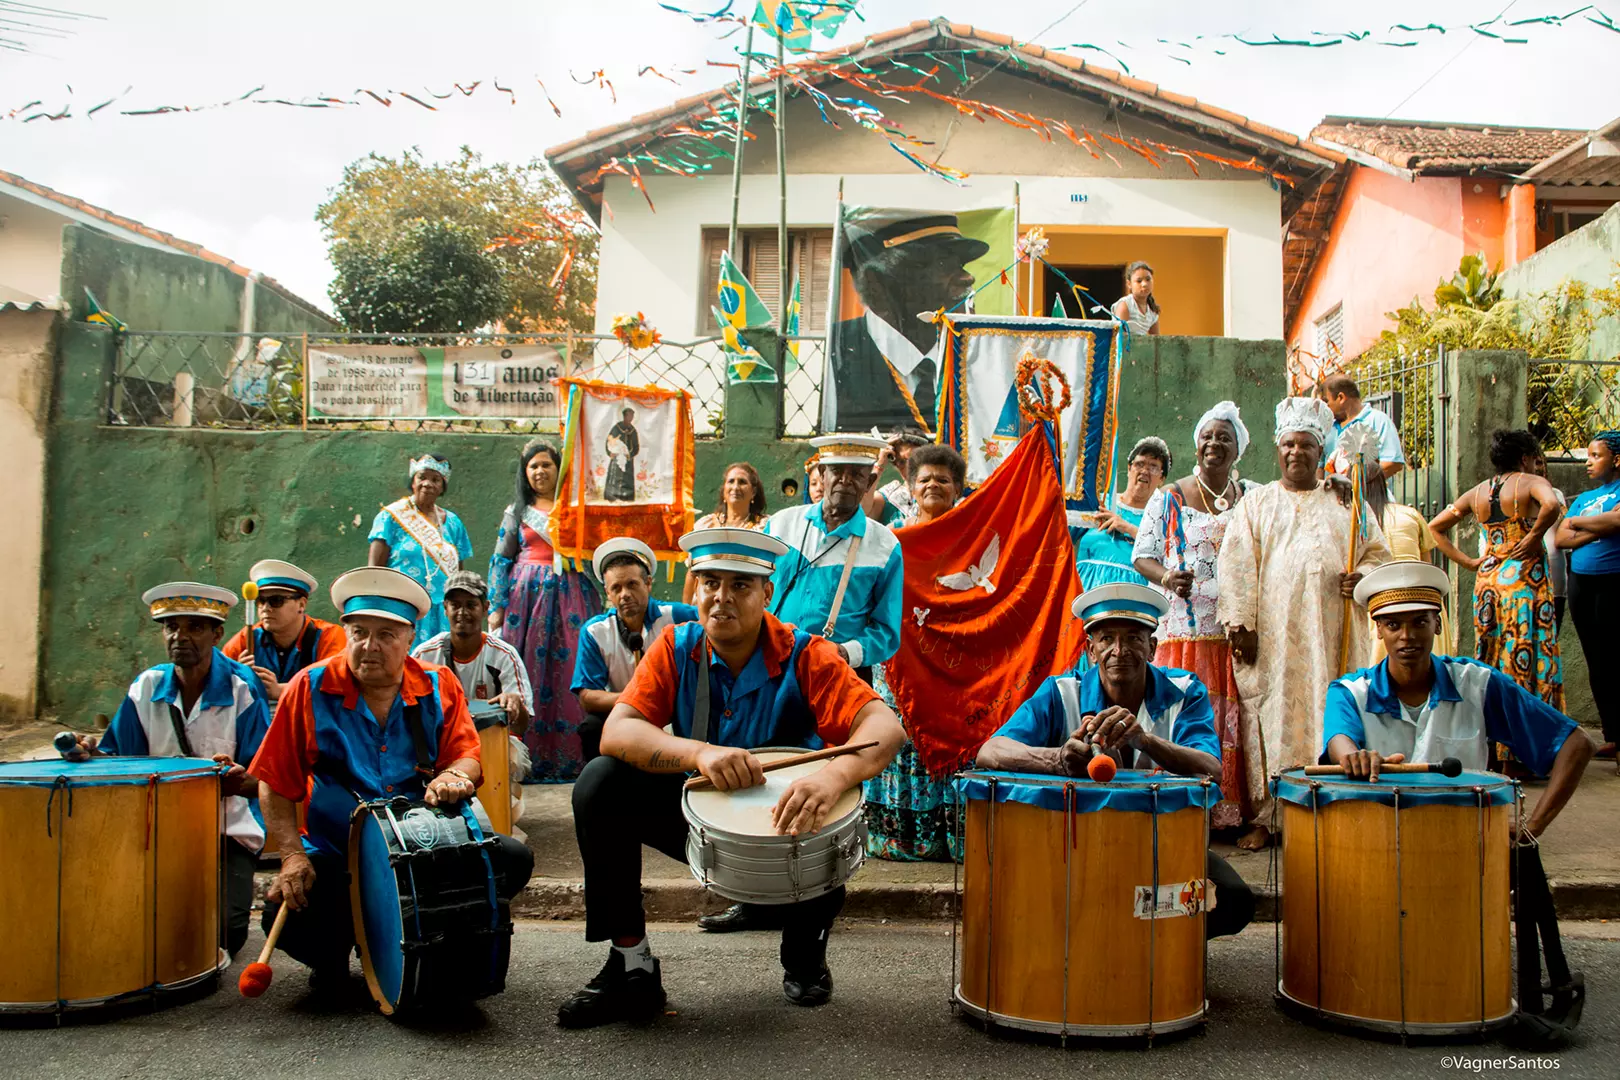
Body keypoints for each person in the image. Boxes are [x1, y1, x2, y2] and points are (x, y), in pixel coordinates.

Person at [557, 528, 904, 1026]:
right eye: (710, 582)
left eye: (741, 585)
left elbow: (884, 728)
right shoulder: (677, 646)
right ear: (694, 589)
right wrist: (698, 754)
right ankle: (631, 965)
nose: (721, 598)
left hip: (792, 827)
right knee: (600, 782)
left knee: (828, 817)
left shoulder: (807, 654)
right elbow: (618, 730)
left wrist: (830, 778)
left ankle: (805, 950)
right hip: (707, 821)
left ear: (767, 593)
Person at [251, 567, 534, 995]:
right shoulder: (307, 689)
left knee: (511, 858)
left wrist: (457, 775)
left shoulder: (439, 686)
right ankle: (337, 954)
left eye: (386, 635)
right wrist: (292, 856)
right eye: (359, 632)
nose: (370, 646)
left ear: (409, 640)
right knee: (288, 915)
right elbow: (274, 780)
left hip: (421, 848)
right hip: (335, 853)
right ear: (346, 633)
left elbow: (466, 753)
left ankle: (415, 939)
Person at [975, 583, 1254, 939]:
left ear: (1152, 648)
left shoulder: (1185, 690)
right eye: (1106, 639)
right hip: (1075, 851)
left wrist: (1145, 740)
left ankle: (1165, 952)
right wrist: (1057, 759)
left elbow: (1210, 768)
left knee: (1232, 899)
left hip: (1162, 846)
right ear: (1091, 650)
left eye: (1134, 639)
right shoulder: (1062, 692)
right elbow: (991, 750)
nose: (1119, 651)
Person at [1218, 396, 1390, 849]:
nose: (1296, 453)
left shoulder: (1347, 504)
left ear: (1321, 452)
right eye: (1288, 445)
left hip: (1334, 632)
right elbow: (1235, 564)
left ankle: (1332, 803)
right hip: (1273, 637)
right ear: (1278, 449)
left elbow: (1378, 557)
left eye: (1306, 446)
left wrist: (1364, 579)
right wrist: (1241, 625)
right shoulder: (1256, 505)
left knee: (1334, 711)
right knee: (1269, 716)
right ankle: (1267, 815)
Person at [65, 582, 270, 958]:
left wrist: (238, 779)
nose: (180, 636)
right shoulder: (146, 687)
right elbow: (118, 761)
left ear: (217, 634)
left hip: (227, 832)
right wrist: (88, 752)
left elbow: (266, 779)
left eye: (194, 627)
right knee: (123, 923)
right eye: (171, 627)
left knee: (224, 933)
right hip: (156, 830)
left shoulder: (242, 688)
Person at [1324, 561, 1592, 838]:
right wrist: (1354, 758)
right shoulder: (1350, 692)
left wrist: (1533, 826)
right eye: (1393, 624)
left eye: (1420, 622)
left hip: (1462, 845)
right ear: (1378, 629)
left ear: (1437, 624)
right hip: (1376, 843)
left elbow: (1577, 744)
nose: (1407, 636)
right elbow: (1339, 742)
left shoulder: (1477, 684)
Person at [1132, 403, 1256, 830]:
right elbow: (1142, 556)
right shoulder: (1170, 499)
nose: (1214, 444)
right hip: (1182, 634)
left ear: (1237, 449)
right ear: (1196, 443)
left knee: (1231, 723)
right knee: (1182, 715)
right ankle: (1177, 807)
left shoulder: (1252, 497)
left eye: (1225, 438)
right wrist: (1167, 576)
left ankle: (1226, 812)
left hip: (1233, 634)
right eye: (1208, 436)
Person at [1428, 430, 1565, 766]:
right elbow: (1552, 505)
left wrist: (1470, 563)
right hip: (1524, 584)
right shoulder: (1530, 482)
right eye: (1535, 458)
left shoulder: (1478, 492)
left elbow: (1435, 527)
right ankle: (1525, 753)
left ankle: (1492, 750)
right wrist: (1534, 536)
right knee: (1529, 656)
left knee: (1492, 660)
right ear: (1525, 459)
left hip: (1488, 584)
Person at [862, 443, 968, 861]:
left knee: (953, 737)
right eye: (924, 478)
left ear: (958, 487)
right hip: (899, 657)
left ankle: (951, 836)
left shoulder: (971, 537)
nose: (933, 485)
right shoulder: (892, 539)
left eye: (943, 478)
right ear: (911, 487)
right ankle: (900, 838)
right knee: (901, 739)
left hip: (954, 661)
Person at [489, 440, 603, 782]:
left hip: (571, 596)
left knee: (570, 671)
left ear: (558, 469)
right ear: (525, 474)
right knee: (529, 672)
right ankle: (528, 758)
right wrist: (496, 605)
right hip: (527, 602)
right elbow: (501, 558)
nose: (540, 472)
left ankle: (570, 758)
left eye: (546, 465)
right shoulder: (517, 512)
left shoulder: (575, 510)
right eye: (533, 466)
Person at [826, 211, 988, 433]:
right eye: (941, 264)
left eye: (960, 264)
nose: (967, 277)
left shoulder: (980, 352)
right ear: (878, 286)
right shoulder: (829, 355)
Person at [765, 433, 903, 681]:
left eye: (857, 475)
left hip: (839, 673)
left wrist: (845, 653)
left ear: (870, 481)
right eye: (837, 470)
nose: (845, 480)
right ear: (822, 473)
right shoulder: (779, 525)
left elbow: (887, 631)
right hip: (770, 664)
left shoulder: (884, 546)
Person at [574, 538, 699, 761]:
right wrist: (636, 700)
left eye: (632, 584)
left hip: (674, 713)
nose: (624, 594)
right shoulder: (594, 631)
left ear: (648, 583)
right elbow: (587, 697)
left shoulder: (677, 616)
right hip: (624, 714)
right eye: (616, 588)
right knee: (590, 728)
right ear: (607, 593)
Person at [1555, 430, 1620, 767]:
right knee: (1597, 661)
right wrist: (1597, 525)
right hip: (1583, 583)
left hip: (1614, 581)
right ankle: (1613, 736)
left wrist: (1579, 523)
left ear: (1617, 460)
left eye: (1596, 456)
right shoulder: (1584, 498)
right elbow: (1562, 537)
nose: (1588, 462)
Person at [368, 453, 474, 649]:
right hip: (403, 606)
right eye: (422, 477)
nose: (428, 484)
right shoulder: (391, 517)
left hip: (441, 612)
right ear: (413, 482)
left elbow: (458, 575)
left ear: (442, 487)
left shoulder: (453, 523)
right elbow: (374, 569)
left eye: (435, 480)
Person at [412, 570, 533, 731]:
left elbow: (522, 727)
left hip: (493, 740)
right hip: (440, 741)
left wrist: (515, 704)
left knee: (517, 756)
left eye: (471, 605)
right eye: (455, 605)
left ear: (485, 608)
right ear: (445, 609)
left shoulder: (504, 655)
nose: (462, 612)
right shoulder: (425, 655)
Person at [1357, 467, 1456, 660]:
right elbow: (1426, 565)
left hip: (1381, 604)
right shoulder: (1410, 514)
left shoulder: (1358, 522)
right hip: (1421, 599)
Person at [223, 559, 346, 703]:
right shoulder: (248, 638)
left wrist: (281, 690)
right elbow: (218, 681)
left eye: (276, 601)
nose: (265, 608)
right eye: (260, 600)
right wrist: (236, 677)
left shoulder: (329, 636)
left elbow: (337, 684)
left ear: (301, 604)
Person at [1074, 436, 1166, 590]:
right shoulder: (1099, 502)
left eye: (1153, 467)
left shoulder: (1161, 518)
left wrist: (1128, 528)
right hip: (1085, 595)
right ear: (1129, 469)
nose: (1144, 471)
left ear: (1162, 479)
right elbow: (1062, 532)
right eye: (1139, 464)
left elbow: (1168, 556)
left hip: (1134, 601)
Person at [684, 462, 768, 604]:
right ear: (724, 490)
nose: (735, 487)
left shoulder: (764, 527)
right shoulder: (705, 525)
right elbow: (692, 573)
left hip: (745, 602)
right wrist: (686, 614)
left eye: (742, 482)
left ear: (753, 492)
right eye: (731, 481)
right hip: (707, 604)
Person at [1317, 374, 1406, 479]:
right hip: (1333, 495)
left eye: (1326, 402)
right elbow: (1321, 466)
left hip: (1369, 495)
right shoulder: (1328, 428)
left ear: (1341, 397)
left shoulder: (1378, 421)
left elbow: (1393, 464)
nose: (1325, 408)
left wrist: (1356, 483)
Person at [861, 427, 931, 526]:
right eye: (902, 462)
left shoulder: (938, 492)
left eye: (915, 459)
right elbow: (861, 512)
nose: (909, 467)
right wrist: (879, 464)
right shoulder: (889, 496)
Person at [1110, 260, 1161, 337]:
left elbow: (1157, 340)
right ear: (1129, 284)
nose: (1144, 284)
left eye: (1148, 279)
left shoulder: (1152, 310)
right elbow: (1120, 338)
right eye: (1139, 281)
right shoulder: (1125, 305)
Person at [604, 407, 640, 502]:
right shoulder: (616, 428)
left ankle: (627, 498)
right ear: (625, 416)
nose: (631, 418)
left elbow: (636, 447)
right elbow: (609, 441)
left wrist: (630, 455)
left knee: (627, 479)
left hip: (627, 461)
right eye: (630, 415)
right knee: (614, 478)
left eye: (632, 416)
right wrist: (610, 453)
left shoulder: (633, 430)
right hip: (616, 460)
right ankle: (612, 497)